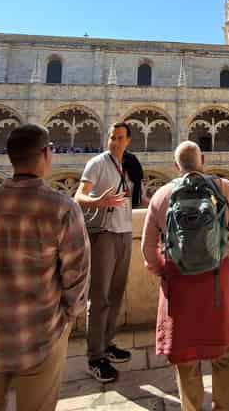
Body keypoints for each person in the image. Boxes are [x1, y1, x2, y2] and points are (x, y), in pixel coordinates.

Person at [0, 124, 90, 411]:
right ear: (45, 154)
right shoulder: (62, 209)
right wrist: (67, 316)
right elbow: (76, 275)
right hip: (40, 333)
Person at [142, 141, 229, 411]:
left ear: (175, 165)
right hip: (218, 278)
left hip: (178, 282)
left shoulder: (161, 195)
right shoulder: (226, 188)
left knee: (186, 356)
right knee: (225, 353)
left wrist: (163, 271)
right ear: (203, 159)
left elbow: (148, 249)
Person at [74, 122, 144, 382]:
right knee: (100, 297)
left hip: (125, 232)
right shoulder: (98, 163)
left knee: (116, 295)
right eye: (112, 137)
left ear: (128, 140)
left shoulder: (130, 165)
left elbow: (134, 199)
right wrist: (98, 201)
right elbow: (79, 196)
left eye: (120, 138)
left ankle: (107, 344)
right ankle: (95, 356)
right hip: (103, 234)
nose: (115, 142)